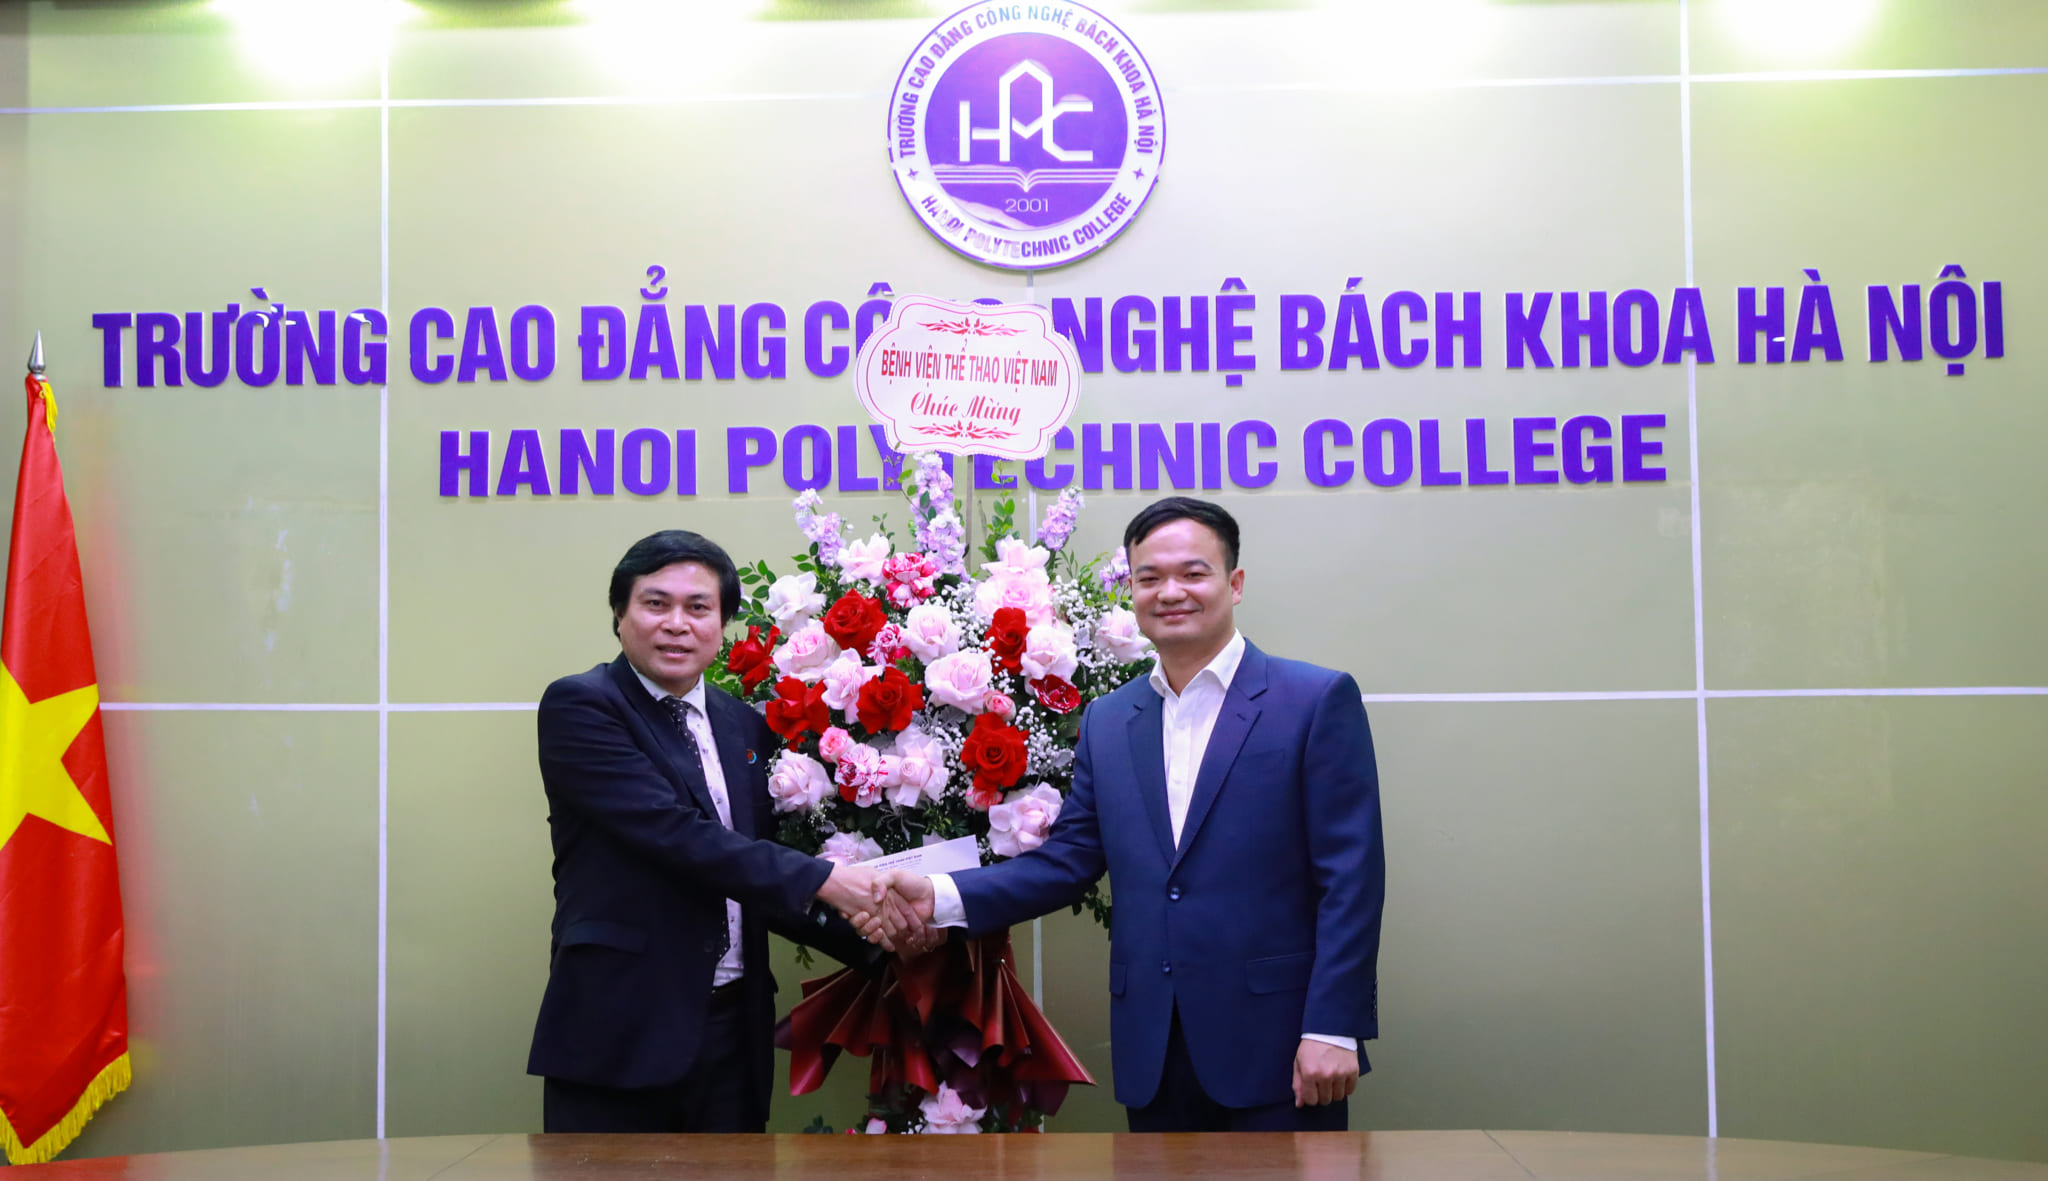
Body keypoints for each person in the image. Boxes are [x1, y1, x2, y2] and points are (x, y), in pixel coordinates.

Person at [868, 496, 1385, 1131]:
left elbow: (1351, 879)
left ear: (1235, 583)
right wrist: (937, 897)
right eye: (1149, 577)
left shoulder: (1314, 700)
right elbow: (1067, 863)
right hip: (1154, 1050)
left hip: (1281, 1048)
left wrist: (1332, 1025)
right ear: (1133, 591)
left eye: (1193, 573)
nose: (1170, 592)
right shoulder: (1110, 720)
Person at [527, 529, 890, 1133]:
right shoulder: (582, 706)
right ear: (619, 613)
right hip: (620, 1028)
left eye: (698, 607)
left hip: (733, 1032)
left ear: (722, 625)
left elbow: (754, 862)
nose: (677, 624)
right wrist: (828, 881)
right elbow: (677, 836)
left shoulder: (742, 724)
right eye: (656, 603)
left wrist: (880, 935)